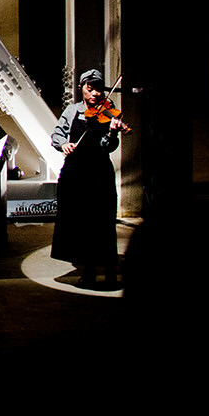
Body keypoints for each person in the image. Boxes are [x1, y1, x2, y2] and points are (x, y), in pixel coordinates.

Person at [50, 69, 126, 286]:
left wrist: (112, 132)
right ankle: (88, 270)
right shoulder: (72, 110)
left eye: (98, 89)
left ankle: (110, 269)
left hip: (99, 172)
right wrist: (63, 144)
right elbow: (57, 134)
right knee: (80, 221)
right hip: (75, 172)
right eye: (89, 89)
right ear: (81, 88)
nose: (95, 94)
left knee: (103, 220)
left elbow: (108, 147)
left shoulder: (108, 112)